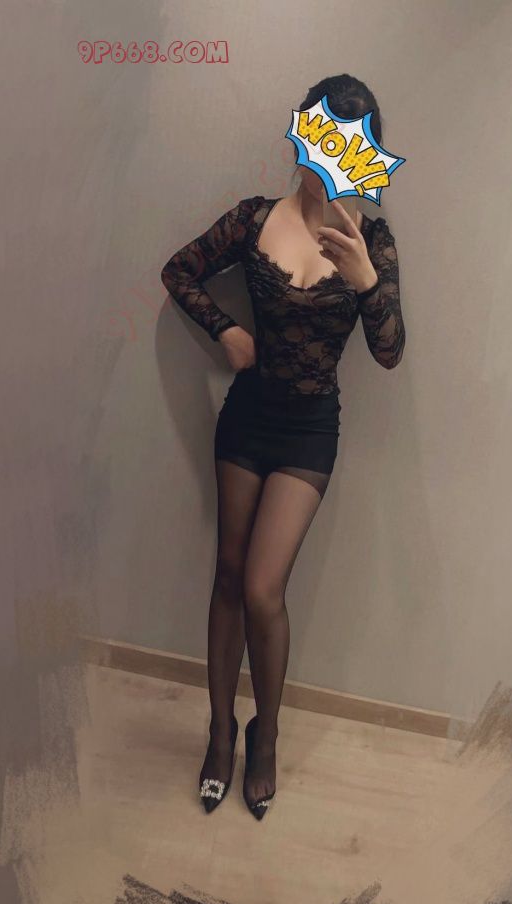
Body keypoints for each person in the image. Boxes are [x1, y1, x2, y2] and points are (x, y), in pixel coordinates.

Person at [160, 74, 405, 820]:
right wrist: (226, 331)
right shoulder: (253, 218)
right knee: (228, 575)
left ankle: (264, 734)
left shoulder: (373, 238)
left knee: (264, 589)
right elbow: (178, 271)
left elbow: (390, 352)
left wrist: (366, 281)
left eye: (349, 147)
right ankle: (219, 733)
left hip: (308, 429)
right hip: (246, 418)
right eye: (322, 140)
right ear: (301, 135)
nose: (330, 161)